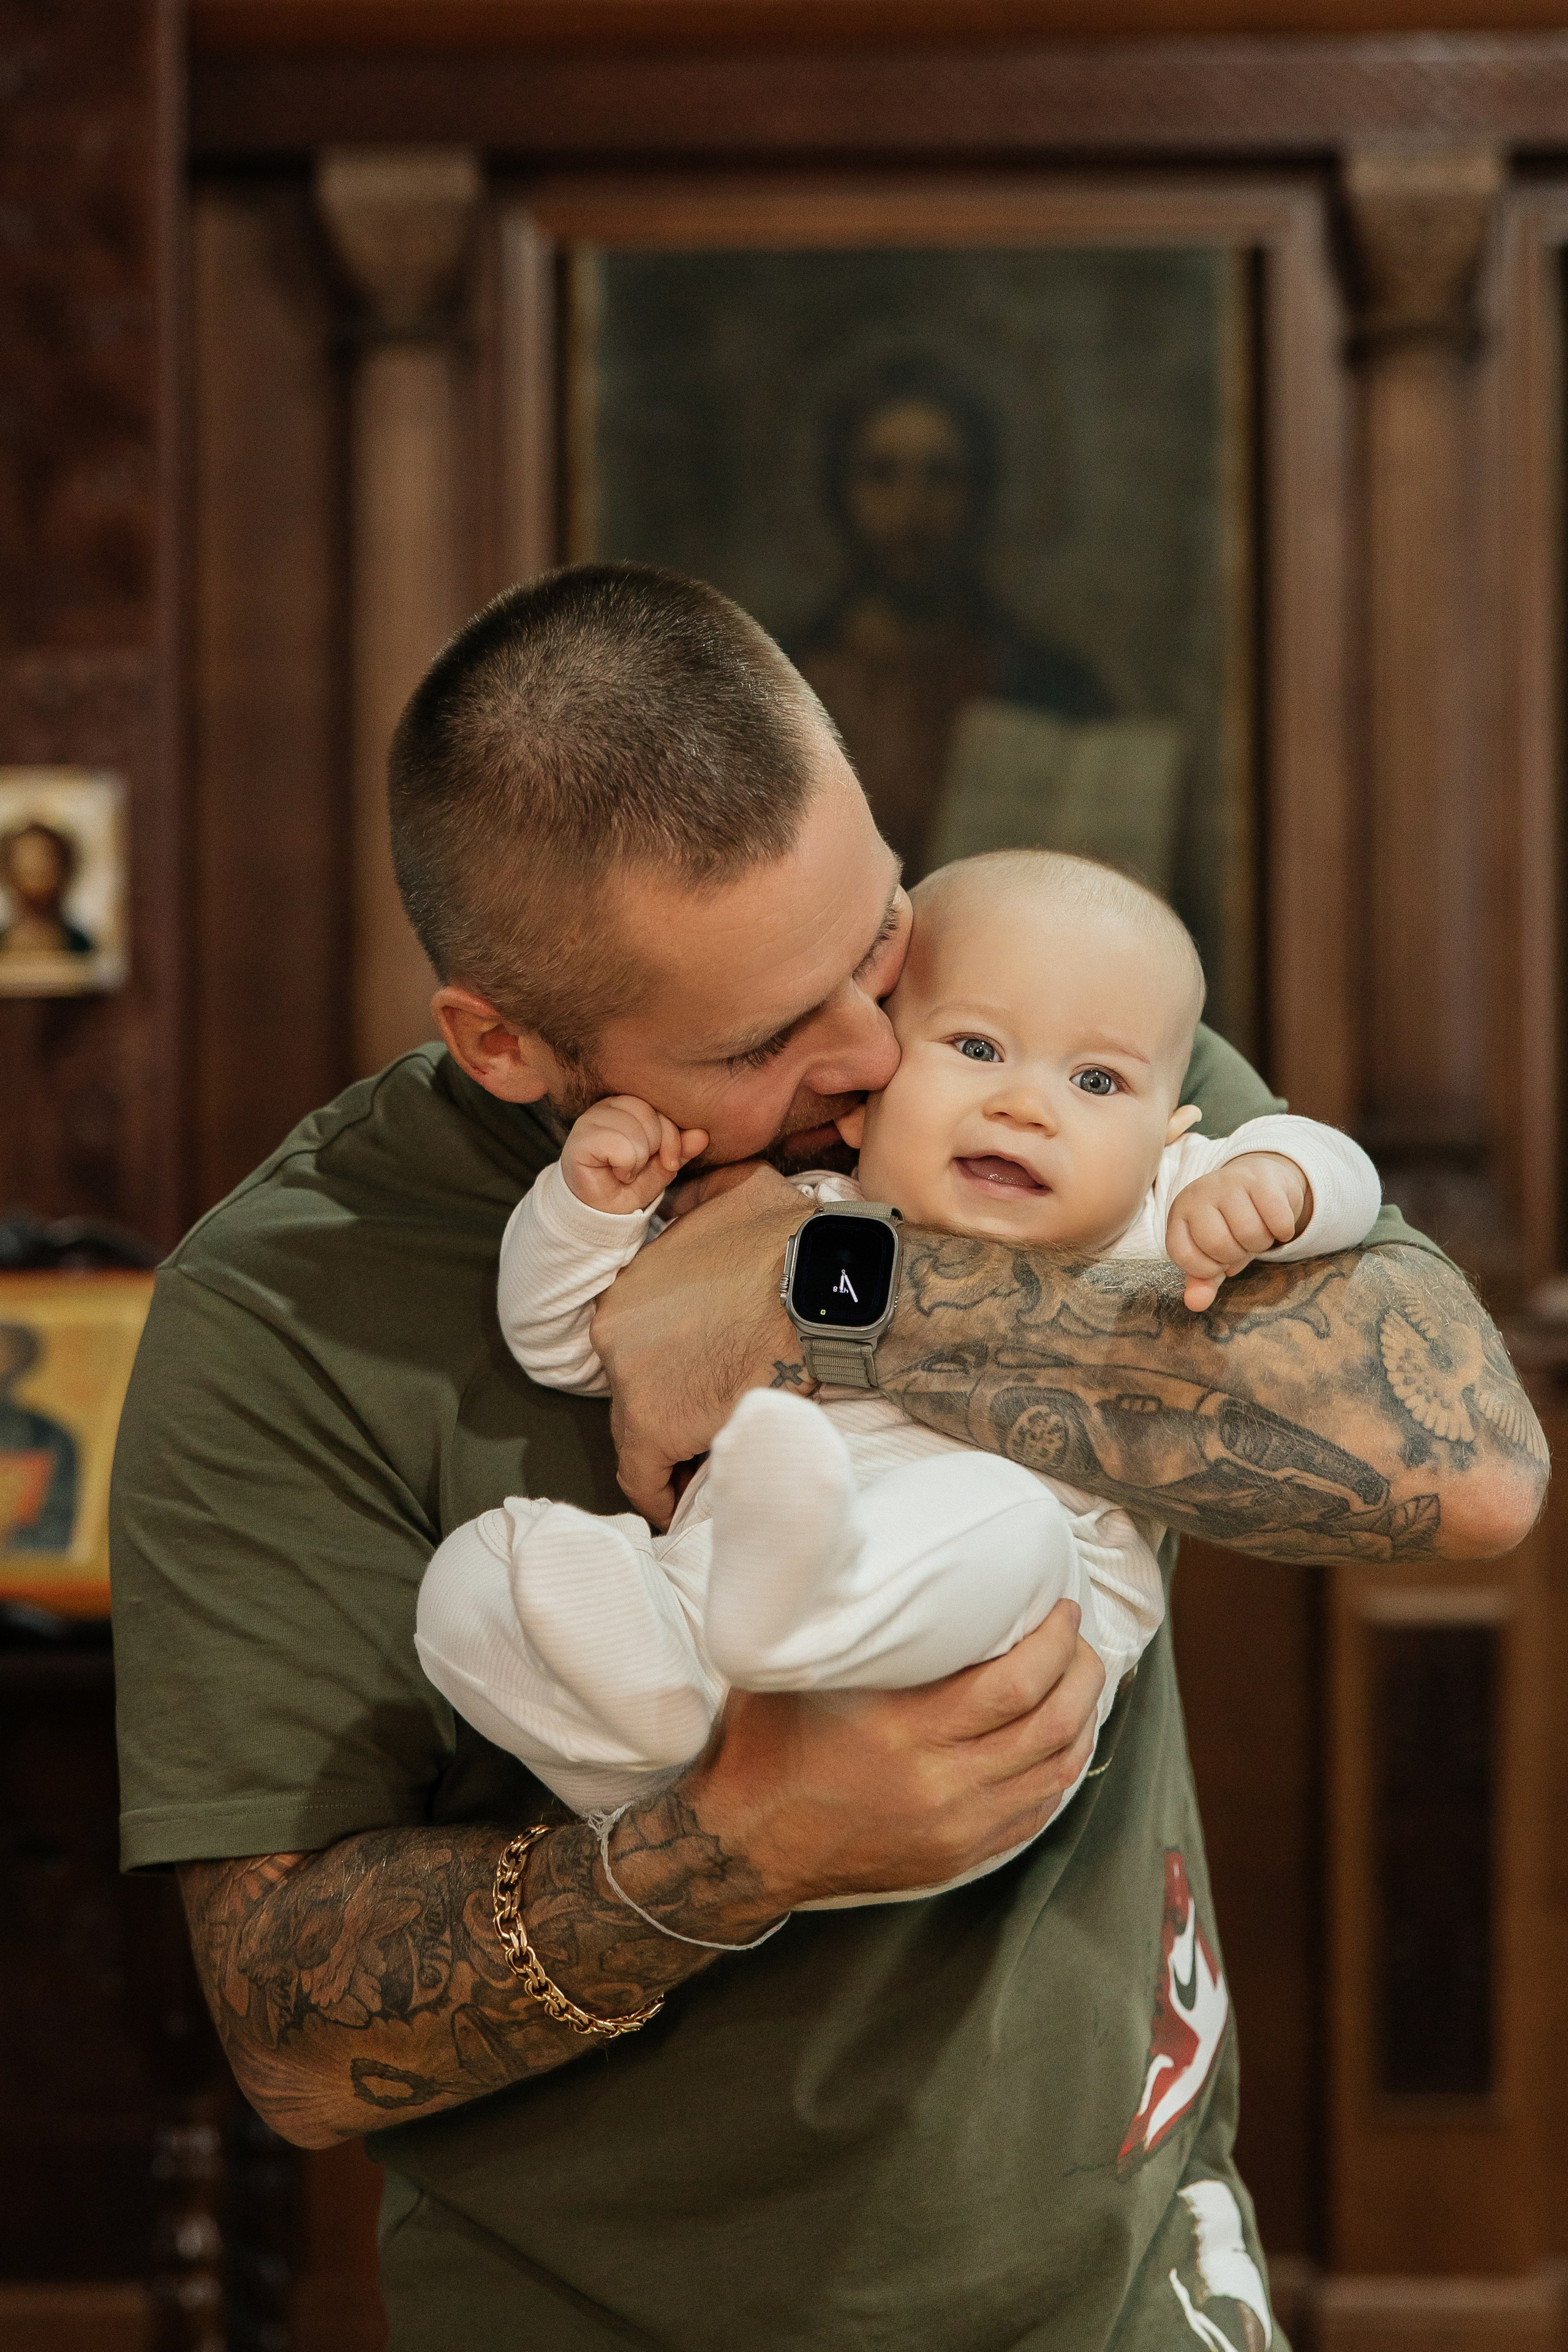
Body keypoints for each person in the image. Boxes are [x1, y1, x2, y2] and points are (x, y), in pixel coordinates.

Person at [111, 566, 1545, 2352]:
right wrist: (742, 1839)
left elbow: (1466, 1466)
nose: (876, 1055)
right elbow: (293, 2032)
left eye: (869, 943)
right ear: (502, 1040)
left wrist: (833, 1287)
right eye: (758, 1040)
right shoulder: (283, 1310)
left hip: (1121, 2293)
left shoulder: (1014, 1025)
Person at [415, 851, 1382, 1896]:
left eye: (1095, 1081)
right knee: (473, 1584)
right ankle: (659, 1725)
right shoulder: (794, 1215)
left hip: (990, 1682)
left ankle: (810, 1609)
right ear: (866, 1102)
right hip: (733, 1708)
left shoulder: (1156, 1220)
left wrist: (1278, 1184)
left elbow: (1347, 1172)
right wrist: (588, 1208)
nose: (1026, 1105)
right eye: (976, 1047)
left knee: (1001, 1517)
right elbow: (561, 1339)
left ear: (1170, 1140)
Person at [791, 359, 1112, 872]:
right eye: (881, 475)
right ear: (839, 494)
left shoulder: (1047, 687)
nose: (911, 510)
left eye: (941, 477)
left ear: (979, 497)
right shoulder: (782, 679)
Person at [0, 820, 94, 960]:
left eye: (44, 859)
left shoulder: (80, 945)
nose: (35, 868)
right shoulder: (3, 941)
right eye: (26, 862)